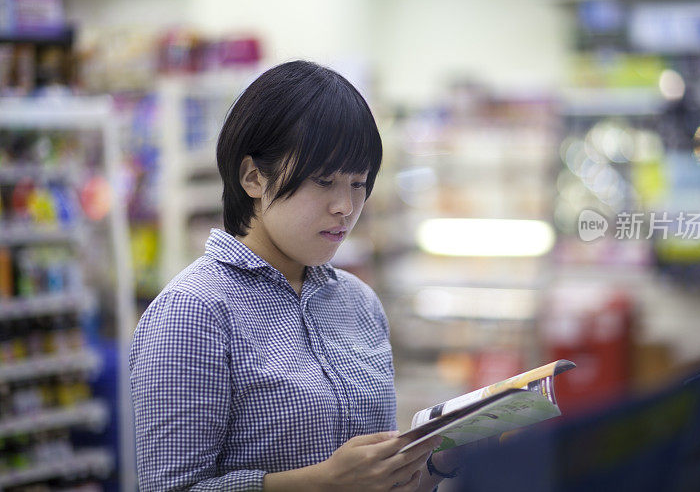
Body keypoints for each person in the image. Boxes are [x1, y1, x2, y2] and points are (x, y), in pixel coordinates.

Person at [129, 60, 459, 491]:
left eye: (358, 183)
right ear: (253, 177)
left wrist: (432, 464)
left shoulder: (359, 303)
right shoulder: (193, 312)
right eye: (323, 182)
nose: (345, 205)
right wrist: (321, 483)